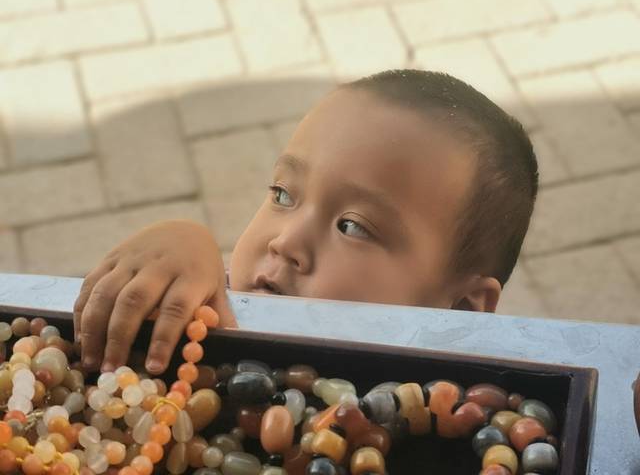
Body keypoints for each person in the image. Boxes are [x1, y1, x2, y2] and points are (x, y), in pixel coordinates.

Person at [73, 69, 538, 376]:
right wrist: (179, 243)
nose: (285, 242)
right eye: (283, 194)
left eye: (352, 226)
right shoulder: (217, 315)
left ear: (460, 311)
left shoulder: (459, 420)